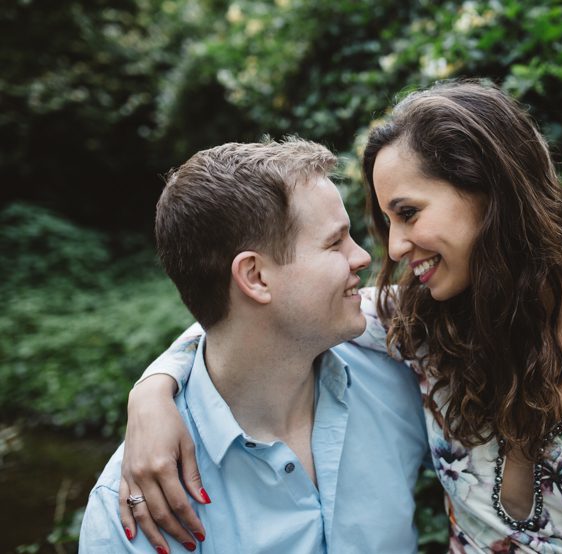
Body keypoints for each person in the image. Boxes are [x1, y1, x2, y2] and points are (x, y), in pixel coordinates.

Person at [122, 81, 562, 553]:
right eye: (388, 220)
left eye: (408, 212)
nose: (395, 247)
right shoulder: (426, 324)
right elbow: (248, 316)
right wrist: (153, 391)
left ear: (489, 192)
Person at [79, 139, 429, 554]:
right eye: (335, 243)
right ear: (255, 277)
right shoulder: (134, 508)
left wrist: (152, 384)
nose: (363, 257)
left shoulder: (397, 370)